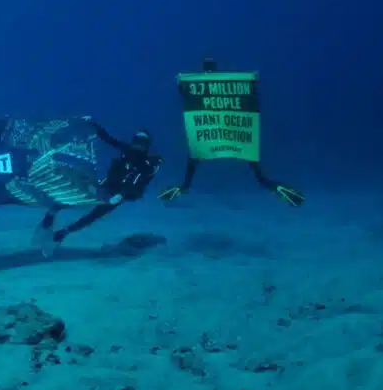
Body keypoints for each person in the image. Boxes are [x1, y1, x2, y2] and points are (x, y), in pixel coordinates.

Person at [158, 57, 305, 207]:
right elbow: (250, 97)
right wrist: (252, 81)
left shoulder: (197, 85)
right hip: (235, 135)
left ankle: (183, 187)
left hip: (208, 136)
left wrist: (181, 83)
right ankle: (275, 186)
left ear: (204, 68)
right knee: (258, 173)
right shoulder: (228, 83)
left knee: (194, 159)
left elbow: (185, 97)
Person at [33, 121, 162, 256]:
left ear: (147, 146)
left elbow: (140, 182)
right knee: (77, 198)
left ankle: (62, 233)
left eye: (142, 143)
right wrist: (93, 125)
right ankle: (50, 216)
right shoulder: (127, 150)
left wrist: (122, 194)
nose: (138, 146)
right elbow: (108, 138)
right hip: (107, 186)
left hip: (120, 194)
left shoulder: (148, 164)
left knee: (93, 215)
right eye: (136, 141)